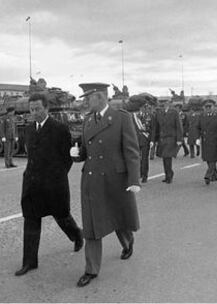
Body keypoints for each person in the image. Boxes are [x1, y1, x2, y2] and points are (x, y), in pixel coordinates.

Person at [71, 83, 141, 287]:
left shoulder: (121, 118)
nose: (84, 102)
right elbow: (85, 151)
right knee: (92, 225)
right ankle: (91, 269)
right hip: (93, 180)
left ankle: (128, 243)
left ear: (100, 97)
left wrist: (134, 180)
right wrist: (76, 155)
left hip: (115, 179)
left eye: (88, 98)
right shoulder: (87, 121)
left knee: (118, 218)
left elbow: (131, 151)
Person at [15, 93, 83, 276]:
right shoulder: (29, 129)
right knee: (31, 220)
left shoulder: (59, 129)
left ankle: (77, 235)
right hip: (31, 184)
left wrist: (56, 177)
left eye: (37, 109)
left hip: (53, 185)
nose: (34, 112)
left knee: (62, 217)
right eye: (31, 109)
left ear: (46, 108)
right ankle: (29, 262)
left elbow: (67, 158)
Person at [150, 99, 183, 184]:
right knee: (164, 158)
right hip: (162, 139)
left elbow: (178, 126)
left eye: (165, 103)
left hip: (171, 138)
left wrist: (179, 139)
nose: (164, 105)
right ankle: (167, 174)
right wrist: (154, 139)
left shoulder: (174, 112)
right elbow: (156, 127)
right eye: (162, 103)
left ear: (169, 104)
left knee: (167, 157)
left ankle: (169, 175)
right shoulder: (159, 113)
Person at [195, 99, 217, 185]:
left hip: (215, 141)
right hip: (205, 141)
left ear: (213, 107)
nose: (208, 108)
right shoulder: (202, 116)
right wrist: (197, 138)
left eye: (210, 107)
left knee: (213, 159)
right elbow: (197, 127)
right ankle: (215, 175)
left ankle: (208, 175)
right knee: (208, 159)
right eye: (206, 107)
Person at [127, 95, 153, 183]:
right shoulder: (130, 116)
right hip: (134, 139)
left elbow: (152, 128)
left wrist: (152, 140)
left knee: (145, 158)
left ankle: (145, 175)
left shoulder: (148, 115)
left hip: (145, 139)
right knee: (136, 158)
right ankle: (139, 174)